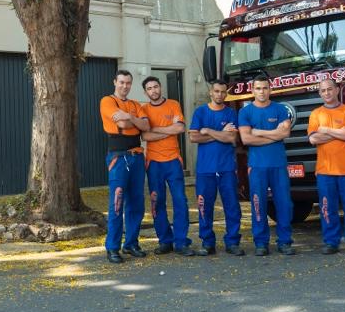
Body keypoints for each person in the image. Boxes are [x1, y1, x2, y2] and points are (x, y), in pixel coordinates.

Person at [307, 78, 345, 255]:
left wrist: (326, 130)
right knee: (327, 208)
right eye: (323, 90)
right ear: (320, 93)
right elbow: (313, 139)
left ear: (337, 90)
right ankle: (331, 242)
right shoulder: (316, 114)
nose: (326, 93)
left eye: (329, 89)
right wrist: (340, 133)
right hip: (325, 171)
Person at [237, 75, 295, 256]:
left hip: (278, 165)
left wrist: (259, 132)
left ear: (270, 89)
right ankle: (261, 243)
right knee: (258, 204)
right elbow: (246, 139)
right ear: (252, 90)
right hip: (257, 166)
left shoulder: (280, 109)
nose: (261, 92)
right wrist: (274, 134)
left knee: (284, 204)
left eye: (265, 88)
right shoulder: (245, 112)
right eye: (258, 88)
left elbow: (285, 133)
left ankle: (284, 242)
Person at [100, 69, 151, 264]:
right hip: (118, 158)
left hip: (137, 157)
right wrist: (133, 121)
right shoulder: (107, 101)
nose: (125, 86)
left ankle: (131, 244)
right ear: (115, 82)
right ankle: (112, 247)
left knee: (137, 203)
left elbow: (146, 126)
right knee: (117, 203)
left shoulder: (135, 104)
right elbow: (121, 124)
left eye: (128, 83)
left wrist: (129, 117)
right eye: (121, 82)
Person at [140, 76, 194, 257]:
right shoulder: (144, 109)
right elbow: (145, 136)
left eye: (155, 86)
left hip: (173, 160)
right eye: (149, 88)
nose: (153, 90)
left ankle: (181, 242)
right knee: (157, 202)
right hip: (153, 162)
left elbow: (179, 129)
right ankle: (165, 241)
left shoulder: (173, 104)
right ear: (145, 92)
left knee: (180, 201)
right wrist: (168, 130)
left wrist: (155, 129)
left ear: (160, 87)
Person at [189, 79, 244, 256]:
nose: (220, 95)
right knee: (205, 207)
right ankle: (207, 243)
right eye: (217, 91)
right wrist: (220, 133)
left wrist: (208, 131)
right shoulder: (200, 112)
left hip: (227, 168)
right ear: (210, 93)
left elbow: (231, 139)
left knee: (232, 206)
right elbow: (193, 137)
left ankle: (232, 242)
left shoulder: (231, 113)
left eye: (223, 92)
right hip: (205, 169)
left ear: (226, 94)